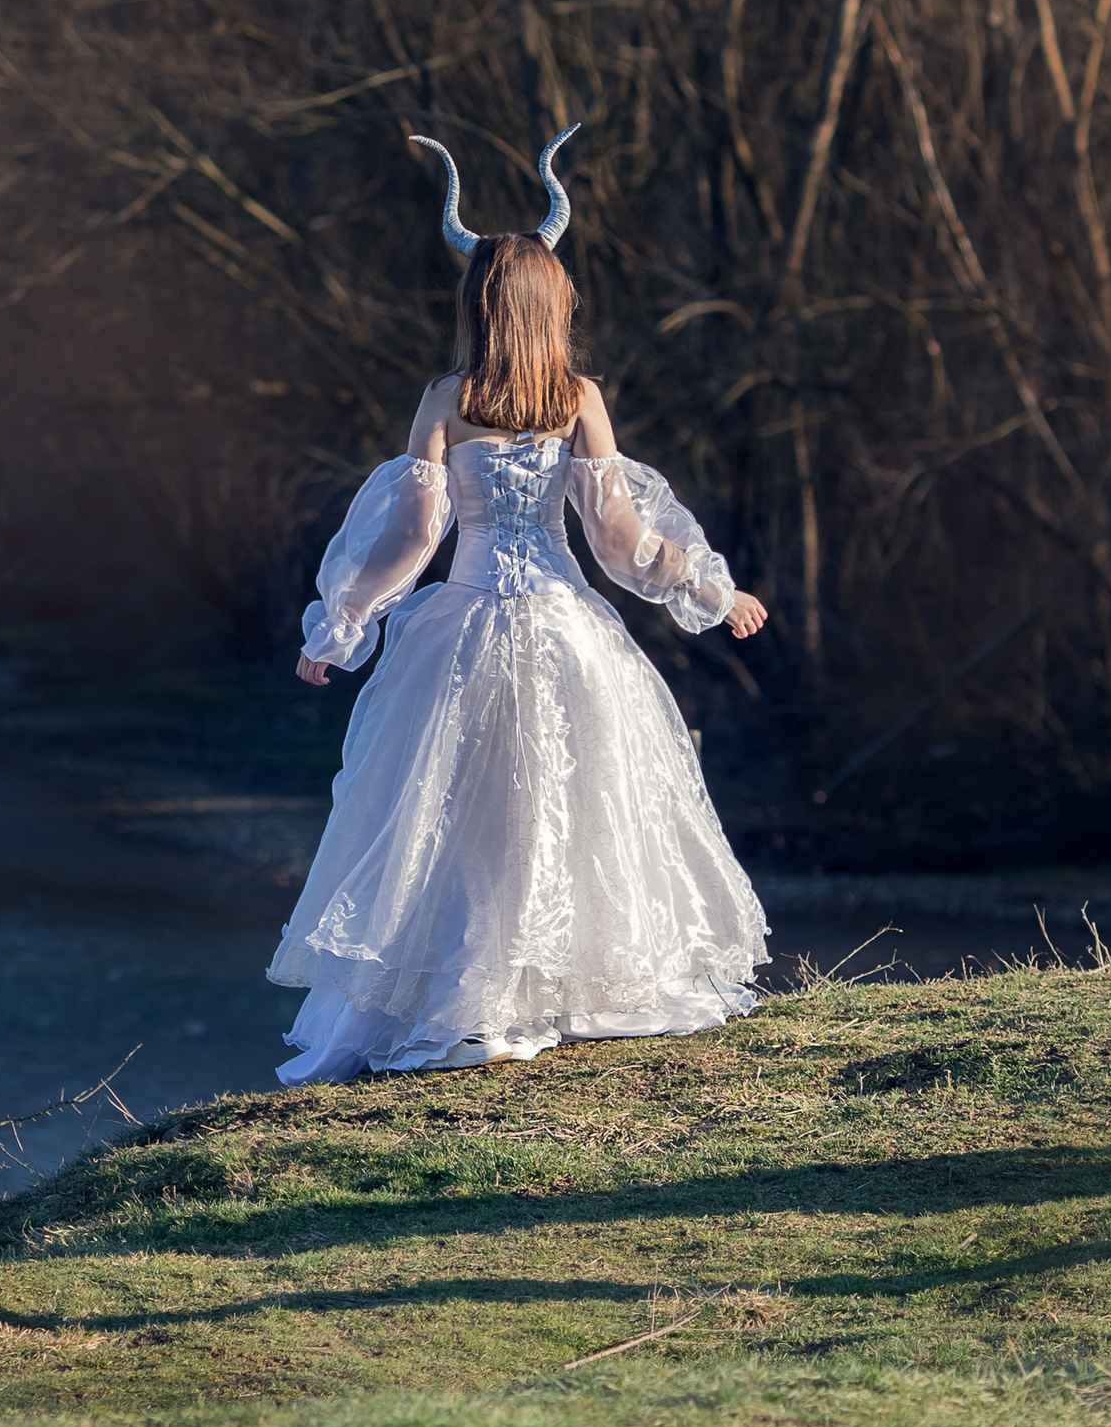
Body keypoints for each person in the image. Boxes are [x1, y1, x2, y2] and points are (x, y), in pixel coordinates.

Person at [271, 128, 771, 1082]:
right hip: (567, 629)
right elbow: (622, 545)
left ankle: (476, 1001)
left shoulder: (446, 399)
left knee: (454, 813)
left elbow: (413, 537)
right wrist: (712, 586)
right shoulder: (579, 396)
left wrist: (341, 625)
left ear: (476, 304)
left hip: (459, 630)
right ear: (556, 306)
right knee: (570, 802)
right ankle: (550, 992)